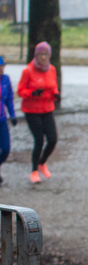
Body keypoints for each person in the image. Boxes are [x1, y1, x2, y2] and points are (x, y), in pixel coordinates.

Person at [18, 41, 59, 184]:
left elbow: (53, 87)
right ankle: (34, 171)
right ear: (36, 55)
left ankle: (42, 163)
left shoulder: (52, 69)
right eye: (41, 54)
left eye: (46, 54)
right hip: (32, 110)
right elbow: (20, 91)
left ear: (49, 55)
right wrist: (32, 93)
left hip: (47, 109)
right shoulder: (28, 71)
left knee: (53, 139)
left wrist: (56, 94)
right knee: (39, 140)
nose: (43, 57)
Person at [0, 56, 17, 185]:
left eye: (2, 66)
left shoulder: (6, 80)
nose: (1, 69)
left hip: (2, 120)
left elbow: (9, 99)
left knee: (6, 149)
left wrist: (13, 115)